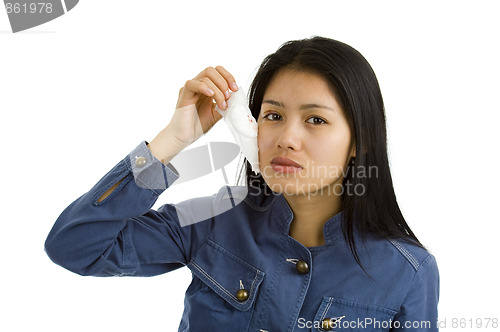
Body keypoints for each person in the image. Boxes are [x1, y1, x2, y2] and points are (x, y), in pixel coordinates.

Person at [45, 36, 439, 331]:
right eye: (272, 116)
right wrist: (171, 141)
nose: (287, 138)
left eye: (315, 120)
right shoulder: (214, 218)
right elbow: (75, 247)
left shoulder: (409, 272)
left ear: (360, 142)